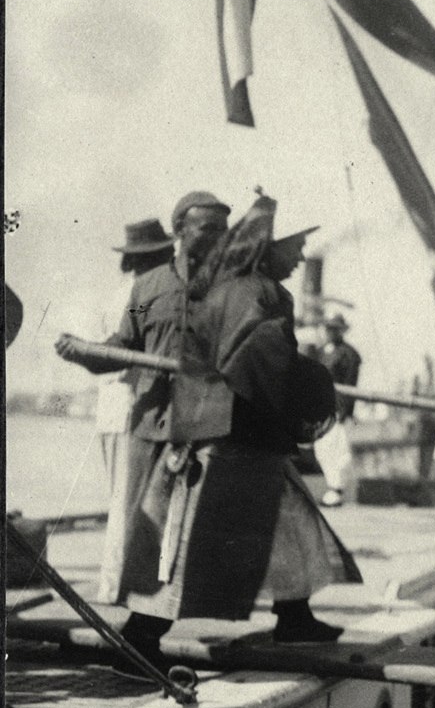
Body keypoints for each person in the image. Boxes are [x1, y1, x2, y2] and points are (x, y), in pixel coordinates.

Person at [56, 192, 347, 676]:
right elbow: (123, 347)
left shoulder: (237, 288)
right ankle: (143, 634)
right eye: (207, 227)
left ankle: (293, 613)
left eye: (223, 228)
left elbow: (261, 354)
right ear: (179, 230)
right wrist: (84, 352)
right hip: (164, 428)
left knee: (286, 515)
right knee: (167, 537)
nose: (218, 237)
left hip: (226, 424)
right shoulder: (149, 287)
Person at [93, 219, 175, 601]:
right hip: (130, 400)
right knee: (129, 500)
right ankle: (118, 583)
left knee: (121, 497)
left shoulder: (118, 292)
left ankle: (116, 581)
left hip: (110, 401)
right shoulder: (142, 292)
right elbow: (132, 344)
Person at [315, 313, 363, 507]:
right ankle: (332, 486)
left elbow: (351, 384)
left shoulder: (349, 354)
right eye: (328, 328)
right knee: (322, 449)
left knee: (337, 449)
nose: (329, 332)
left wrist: (345, 411)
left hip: (337, 408)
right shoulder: (321, 352)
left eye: (334, 329)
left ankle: (337, 489)